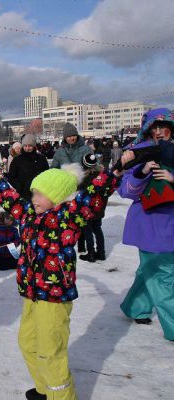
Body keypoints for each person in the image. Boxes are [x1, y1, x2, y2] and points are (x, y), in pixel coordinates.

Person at [0, 156, 123, 400]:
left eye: (40, 194)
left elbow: (94, 193)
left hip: (54, 297)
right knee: (28, 343)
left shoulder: (69, 217)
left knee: (50, 352)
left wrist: (116, 170)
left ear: (57, 196)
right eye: (34, 193)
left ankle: (62, 397)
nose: (33, 198)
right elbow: (10, 198)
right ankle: (45, 389)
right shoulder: (28, 214)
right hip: (31, 293)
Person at [118, 108, 174, 342]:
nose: (160, 133)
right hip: (148, 222)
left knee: (150, 270)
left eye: (164, 128)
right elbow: (125, 191)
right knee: (163, 273)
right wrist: (140, 171)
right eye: (155, 128)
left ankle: (136, 306)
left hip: (171, 218)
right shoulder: (137, 153)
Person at [79, 154, 107, 263]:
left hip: (87, 208)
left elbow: (80, 191)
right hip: (99, 207)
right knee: (98, 229)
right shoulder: (102, 176)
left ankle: (90, 253)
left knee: (87, 230)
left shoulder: (84, 178)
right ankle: (101, 252)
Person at [7, 134, 49, 201]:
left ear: (34, 146)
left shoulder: (41, 158)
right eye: (25, 146)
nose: (27, 148)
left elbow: (47, 174)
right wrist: (19, 186)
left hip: (39, 193)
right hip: (23, 194)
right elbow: (11, 176)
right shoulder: (17, 160)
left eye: (30, 146)